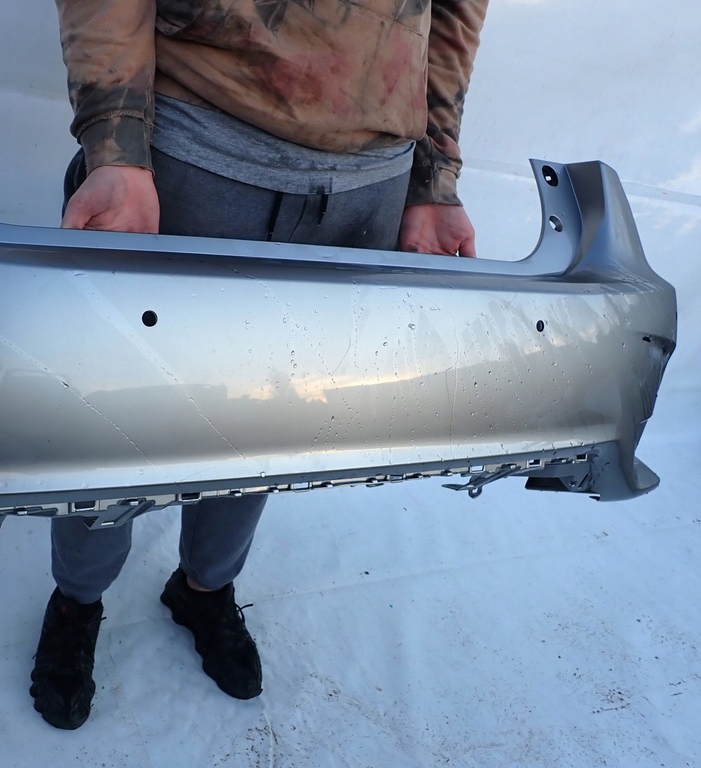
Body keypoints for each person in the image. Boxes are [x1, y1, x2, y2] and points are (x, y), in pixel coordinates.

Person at [31, 0, 489, 730]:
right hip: (193, 153)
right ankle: (77, 601)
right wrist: (116, 145)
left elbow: (456, 10)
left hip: (365, 187)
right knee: (116, 425)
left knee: (266, 429)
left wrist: (433, 176)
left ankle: (204, 589)